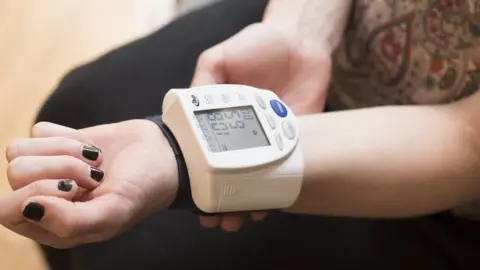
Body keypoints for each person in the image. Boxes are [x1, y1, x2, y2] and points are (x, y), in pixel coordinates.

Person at [1, 0, 479, 269]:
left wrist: (183, 163)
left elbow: (468, 141)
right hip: (337, 35)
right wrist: (301, 30)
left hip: (443, 180)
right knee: (75, 106)